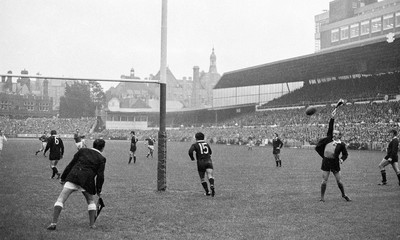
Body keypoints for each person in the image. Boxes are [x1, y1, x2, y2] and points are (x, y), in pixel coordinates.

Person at [47, 139, 106, 230]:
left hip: (74, 176)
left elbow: (71, 164)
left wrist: (63, 178)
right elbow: (100, 176)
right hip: (87, 181)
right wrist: (99, 190)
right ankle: (92, 225)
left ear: (93, 145)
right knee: (90, 201)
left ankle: (53, 223)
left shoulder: (82, 151)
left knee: (61, 199)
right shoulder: (101, 158)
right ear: (102, 148)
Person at [315, 108, 351, 202]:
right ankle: (322, 198)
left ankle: (343, 194)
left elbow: (345, 154)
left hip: (335, 162)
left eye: (336, 134)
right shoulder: (329, 139)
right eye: (333, 133)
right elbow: (330, 127)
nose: (334, 135)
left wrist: (342, 159)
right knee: (324, 181)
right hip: (326, 162)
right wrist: (332, 117)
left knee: (339, 181)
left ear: (339, 136)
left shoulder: (341, 144)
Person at [188, 132, 215, 197]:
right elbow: (210, 152)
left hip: (201, 162)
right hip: (208, 161)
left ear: (196, 138)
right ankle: (212, 185)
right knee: (210, 175)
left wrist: (192, 158)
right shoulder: (206, 144)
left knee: (202, 178)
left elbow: (190, 151)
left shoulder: (195, 145)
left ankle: (207, 192)